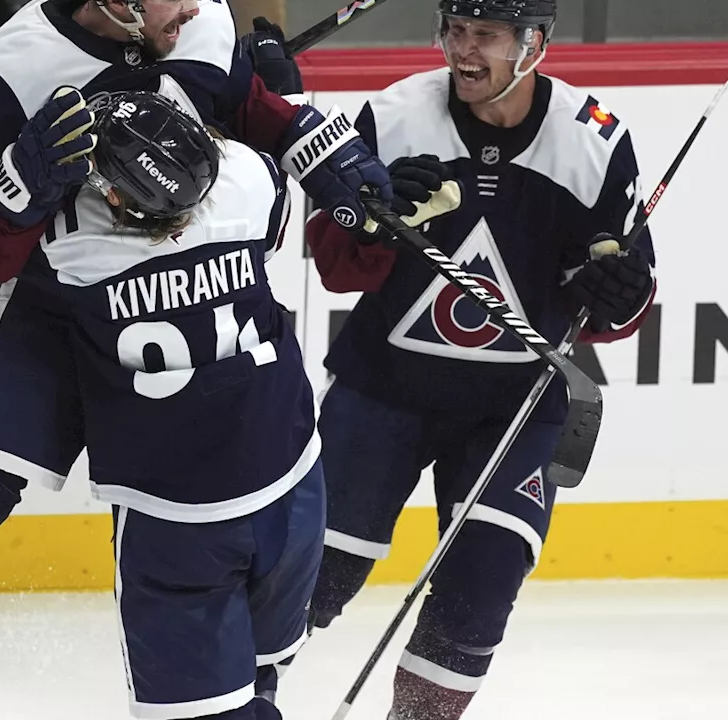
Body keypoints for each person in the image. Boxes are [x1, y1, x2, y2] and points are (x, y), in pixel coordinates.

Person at [0, 1, 390, 718]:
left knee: (226, 489)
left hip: (172, 295)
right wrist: (19, 193)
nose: (195, 4)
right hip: (56, 306)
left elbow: (261, 118)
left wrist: (326, 148)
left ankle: (246, 677)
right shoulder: (20, 59)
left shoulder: (203, 22)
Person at [273, 1, 659, 718]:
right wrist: (381, 222)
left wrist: (619, 292)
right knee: (309, 576)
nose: (463, 49)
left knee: (480, 589)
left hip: (514, 412)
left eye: (485, 34)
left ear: (534, 43)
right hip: (383, 393)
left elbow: (618, 303)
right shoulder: (392, 118)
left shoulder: (595, 142)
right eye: (455, 29)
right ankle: (235, 701)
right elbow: (335, 267)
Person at [37, 87, 324, 720]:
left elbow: (3, 236)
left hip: (171, 512)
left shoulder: (73, 241)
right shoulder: (248, 182)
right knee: (264, 668)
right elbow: (263, 176)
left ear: (113, 197)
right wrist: (287, 90)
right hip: (289, 480)